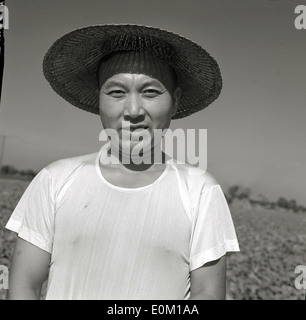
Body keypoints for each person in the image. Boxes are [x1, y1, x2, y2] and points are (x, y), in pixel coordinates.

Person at [5, 24, 239, 300]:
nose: (133, 111)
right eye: (117, 92)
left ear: (174, 102)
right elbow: (23, 287)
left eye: (150, 92)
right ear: (99, 99)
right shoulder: (55, 180)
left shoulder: (200, 191)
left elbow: (207, 295)